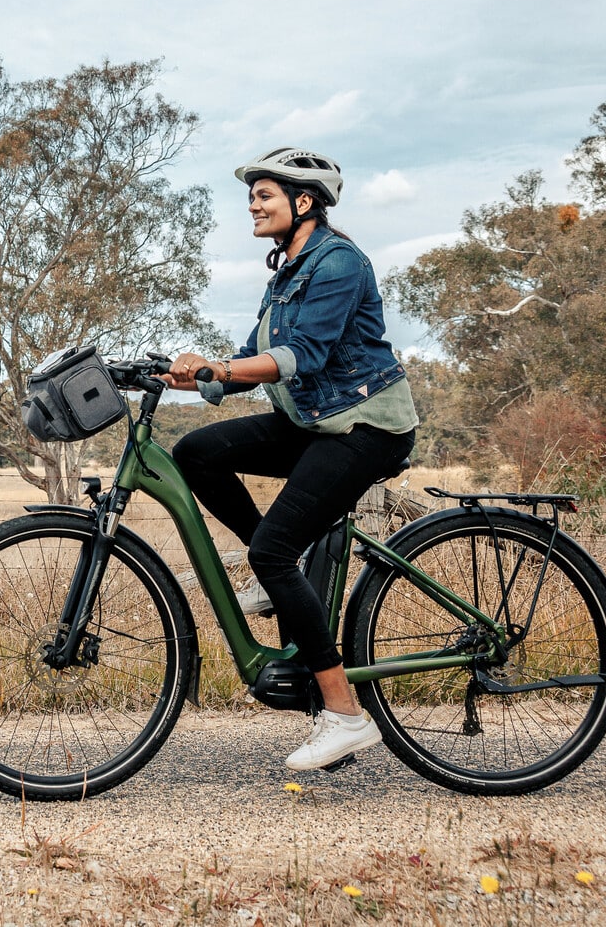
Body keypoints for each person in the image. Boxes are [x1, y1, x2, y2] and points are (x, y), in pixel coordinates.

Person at [162, 147, 418, 773]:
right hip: (313, 422)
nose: (253, 204)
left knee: (270, 551)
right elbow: (253, 362)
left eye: (265, 194)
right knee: (195, 452)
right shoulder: (287, 271)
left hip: (365, 426)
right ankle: (288, 572)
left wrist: (218, 368)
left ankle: (344, 716)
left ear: (304, 202)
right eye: (252, 195)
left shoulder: (338, 263)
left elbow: (301, 354)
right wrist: (184, 375)